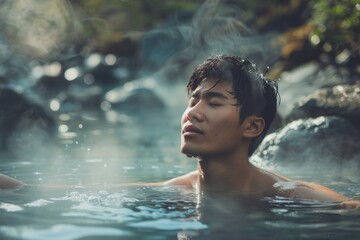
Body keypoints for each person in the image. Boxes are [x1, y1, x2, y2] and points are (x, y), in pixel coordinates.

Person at [0, 55, 359, 208]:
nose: (193, 113)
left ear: (252, 126)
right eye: (193, 101)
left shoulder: (290, 196)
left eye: (214, 103)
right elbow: (54, 192)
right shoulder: (183, 190)